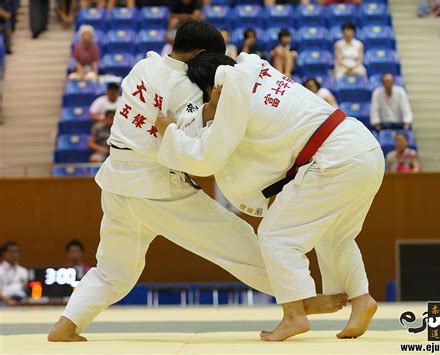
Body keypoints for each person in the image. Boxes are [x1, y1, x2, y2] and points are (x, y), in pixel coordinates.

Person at [47, 20, 346, 343]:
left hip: (117, 181)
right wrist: (213, 110)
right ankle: (299, 299)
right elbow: (187, 141)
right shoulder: (187, 85)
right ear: (202, 54)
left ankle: (67, 325)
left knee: (114, 270)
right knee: (238, 241)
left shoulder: (143, 66)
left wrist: (204, 113)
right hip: (157, 187)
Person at [155, 52, 384, 341]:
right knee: (335, 235)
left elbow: (206, 159)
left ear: (209, 88)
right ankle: (361, 300)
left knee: (276, 236)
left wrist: (170, 134)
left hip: (334, 159)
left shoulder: (232, 92)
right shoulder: (255, 66)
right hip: (363, 146)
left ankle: (294, 315)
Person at [0, 241, 28, 306]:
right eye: (12, 252)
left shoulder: (23, 271)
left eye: (17, 252)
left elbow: (24, 290)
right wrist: (6, 300)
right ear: (4, 253)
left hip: (20, 300)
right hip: (3, 301)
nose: (14, 255)